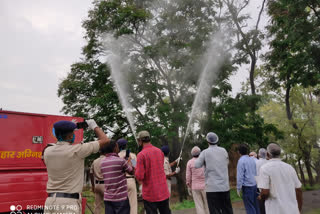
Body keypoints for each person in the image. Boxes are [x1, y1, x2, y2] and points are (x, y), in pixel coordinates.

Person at [44, 119, 109, 214]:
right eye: (73, 133)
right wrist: (93, 125)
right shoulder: (77, 150)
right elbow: (105, 140)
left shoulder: (47, 151)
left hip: (50, 202)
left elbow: (63, 147)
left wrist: (69, 127)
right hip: (68, 203)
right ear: (70, 136)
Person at [258, 143, 302, 214]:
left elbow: (265, 192)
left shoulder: (265, 168)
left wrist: (261, 196)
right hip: (292, 210)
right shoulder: (290, 168)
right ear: (279, 154)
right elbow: (298, 189)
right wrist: (299, 209)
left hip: (275, 210)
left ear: (268, 154)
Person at [195, 132, 233, 214]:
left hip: (212, 188)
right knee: (227, 210)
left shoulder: (205, 152)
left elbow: (197, 165)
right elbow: (226, 162)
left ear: (207, 141)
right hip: (224, 186)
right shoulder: (223, 150)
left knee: (215, 211)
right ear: (217, 141)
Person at [135, 131, 171, 214]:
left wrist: (135, 169)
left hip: (150, 194)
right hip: (163, 191)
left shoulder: (141, 155)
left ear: (140, 141)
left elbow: (140, 176)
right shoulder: (159, 151)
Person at [101, 140, 134, 214]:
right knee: (133, 202)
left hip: (108, 196)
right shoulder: (127, 157)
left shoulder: (103, 162)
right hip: (122, 193)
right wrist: (131, 162)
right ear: (115, 148)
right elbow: (133, 170)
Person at [237, 144, 260, 214]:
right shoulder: (252, 160)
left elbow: (240, 176)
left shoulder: (241, 161)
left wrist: (238, 188)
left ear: (239, 152)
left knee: (249, 207)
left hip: (247, 187)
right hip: (254, 185)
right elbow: (255, 173)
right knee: (256, 206)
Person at [117, 138, 138, 214]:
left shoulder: (116, 156)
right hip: (130, 180)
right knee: (133, 204)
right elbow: (136, 168)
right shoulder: (132, 155)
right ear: (126, 145)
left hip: (120, 182)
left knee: (121, 204)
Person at [186, 146, 209, 214]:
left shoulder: (189, 162)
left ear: (192, 154)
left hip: (195, 187)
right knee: (208, 204)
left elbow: (188, 176)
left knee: (199, 206)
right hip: (206, 186)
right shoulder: (204, 160)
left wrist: (188, 186)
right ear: (200, 153)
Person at [90, 147, 107, 214]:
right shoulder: (107, 160)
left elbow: (91, 173)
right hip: (106, 184)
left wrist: (93, 185)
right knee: (108, 205)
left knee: (97, 206)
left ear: (99, 152)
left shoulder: (95, 161)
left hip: (97, 184)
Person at [255, 148, 268, 214]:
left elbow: (255, 175)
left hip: (260, 187)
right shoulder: (268, 162)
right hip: (269, 187)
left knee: (262, 206)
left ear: (259, 155)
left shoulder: (256, 162)